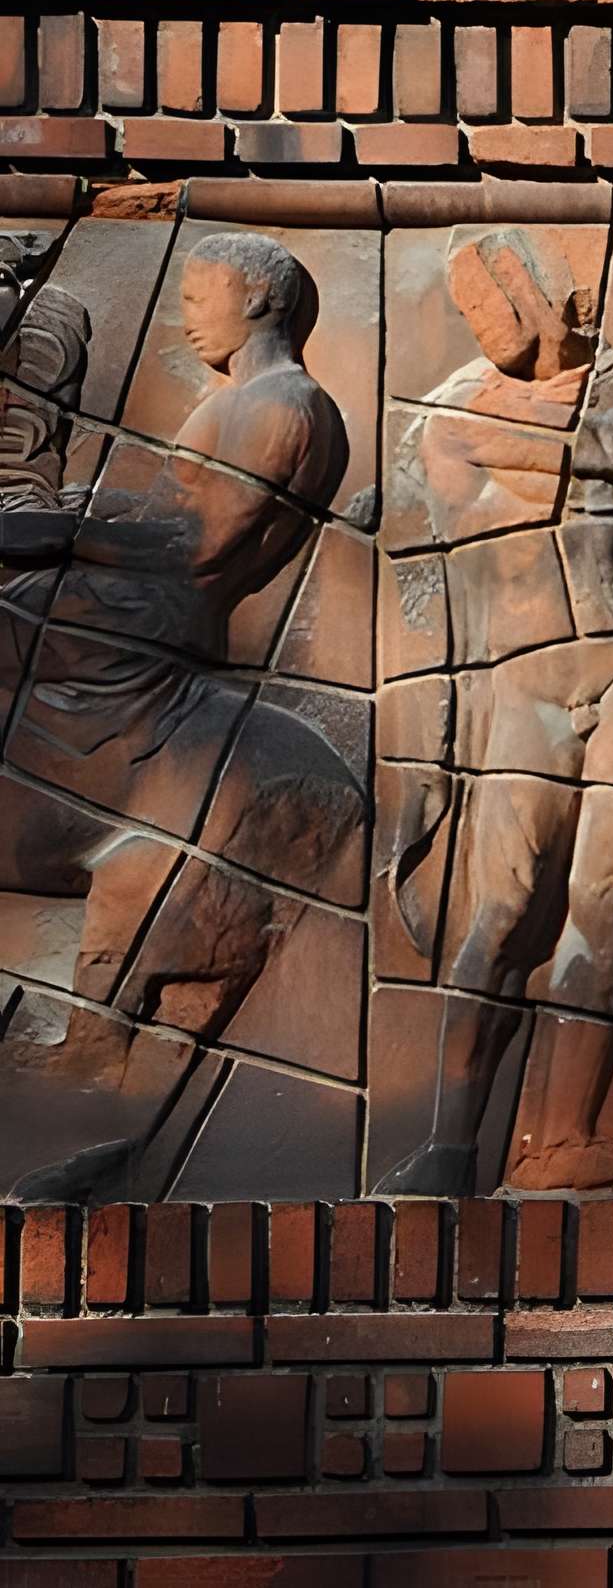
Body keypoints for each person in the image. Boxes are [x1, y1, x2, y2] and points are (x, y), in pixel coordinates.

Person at [0, 232, 360, 1200]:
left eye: (200, 296)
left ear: (255, 298)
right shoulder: (238, 400)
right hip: (132, 594)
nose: (187, 313)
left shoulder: (285, 407)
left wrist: (65, 531)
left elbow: (196, 545)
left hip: (151, 620)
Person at [375, 231, 613, 1195]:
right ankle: (450, 1147)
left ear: (549, 297)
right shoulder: (448, 419)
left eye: (506, 299)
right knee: (506, 910)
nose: (494, 322)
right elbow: (589, 455)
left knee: (605, 910)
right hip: (524, 686)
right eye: (478, 307)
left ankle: (563, 1141)